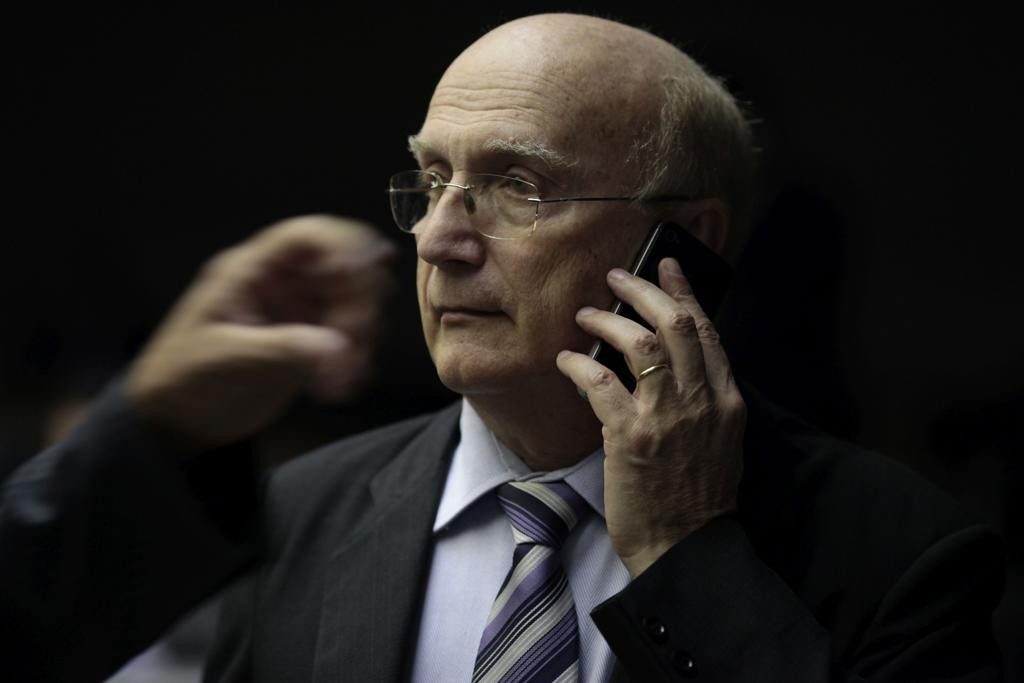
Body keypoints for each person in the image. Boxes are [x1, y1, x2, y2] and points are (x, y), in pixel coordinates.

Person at [0, 13, 1003, 683]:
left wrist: (685, 558)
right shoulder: (299, 512)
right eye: (431, 182)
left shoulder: (899, 550)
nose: (438, 239)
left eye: (518, 187)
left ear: (685, 240)